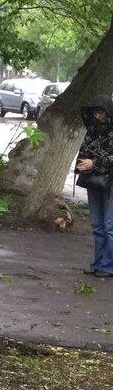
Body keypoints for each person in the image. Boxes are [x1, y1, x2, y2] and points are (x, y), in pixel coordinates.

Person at [77, 96, 113, 277]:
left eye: (101, 112)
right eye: (95, 112)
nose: (97, 116)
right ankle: (99, 263)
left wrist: (94, 162)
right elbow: (84, 149)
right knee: (97, 225)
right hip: (94, 180)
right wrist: (81, 163)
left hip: (110, 181)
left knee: (109, 226)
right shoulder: (92, 130)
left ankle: (108, 266)